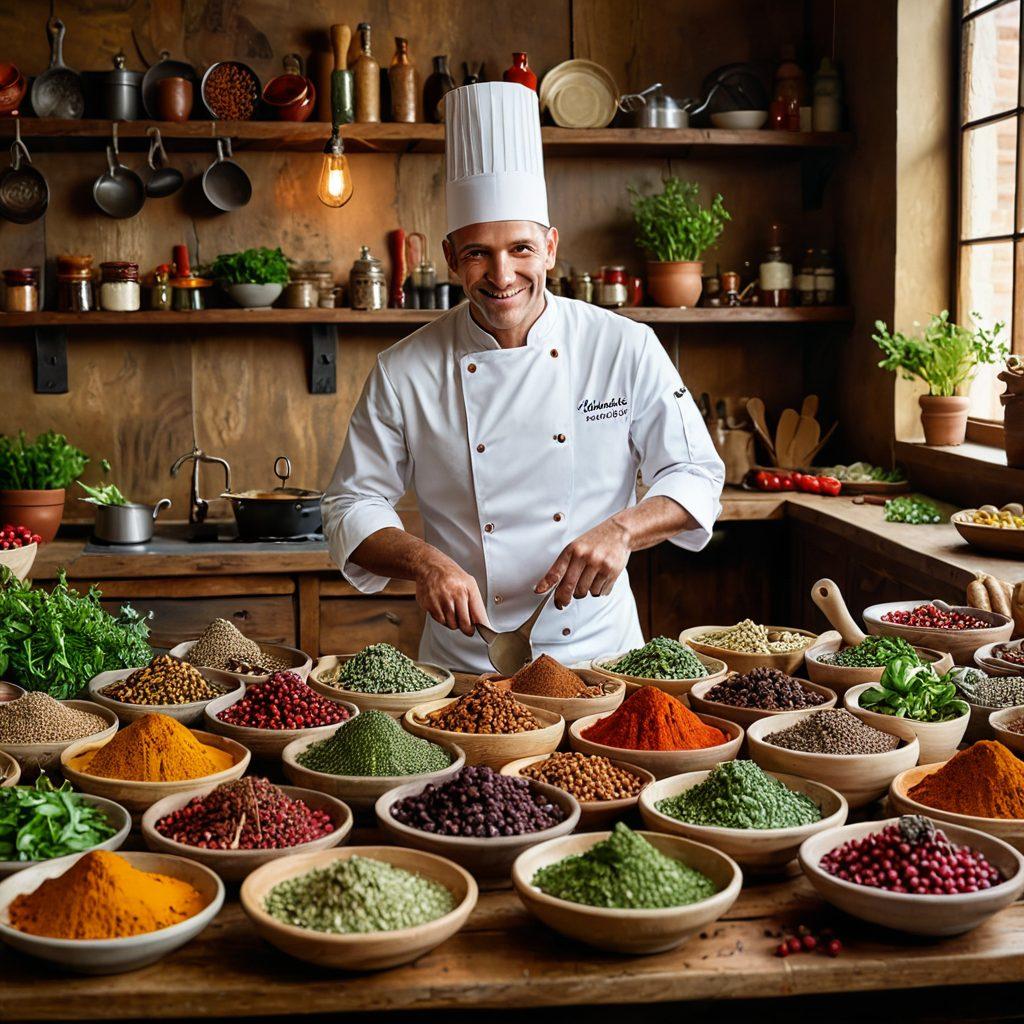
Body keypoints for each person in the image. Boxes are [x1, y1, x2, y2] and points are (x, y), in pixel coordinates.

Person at [323, 81, 724, 673]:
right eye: (478, 253)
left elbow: (696, 475)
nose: (502, 274)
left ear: (551, 248)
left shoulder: (623, 345)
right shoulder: (404, 370)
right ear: (451, 257)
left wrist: (623, 530)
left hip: (601, 657)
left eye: (520, 249)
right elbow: (350, 503)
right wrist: (424, 563)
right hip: (464, 665)